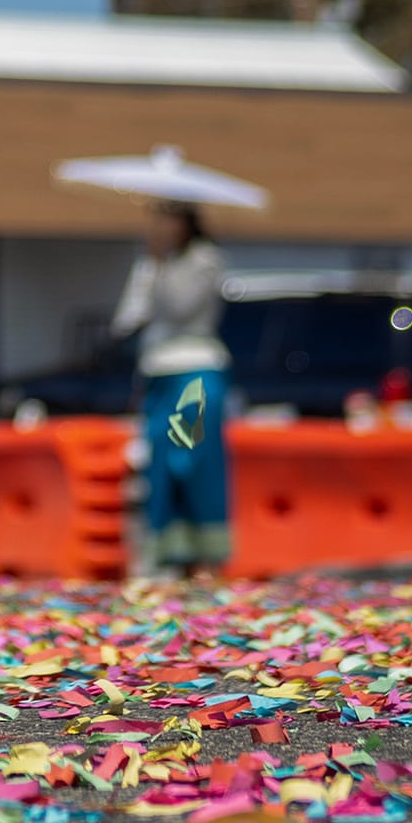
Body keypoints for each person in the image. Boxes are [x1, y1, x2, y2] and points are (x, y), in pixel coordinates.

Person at [111, 201, 230, 571]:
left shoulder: (204, 260)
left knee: (190, 458)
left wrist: (161, 264)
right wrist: (148, 270)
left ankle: (206, 554)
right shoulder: (150, 262)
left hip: (194, 369)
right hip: (158, 370)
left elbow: (182, 306)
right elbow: (129, 315)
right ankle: (168, 552)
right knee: (160, 462)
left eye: (168, 218)